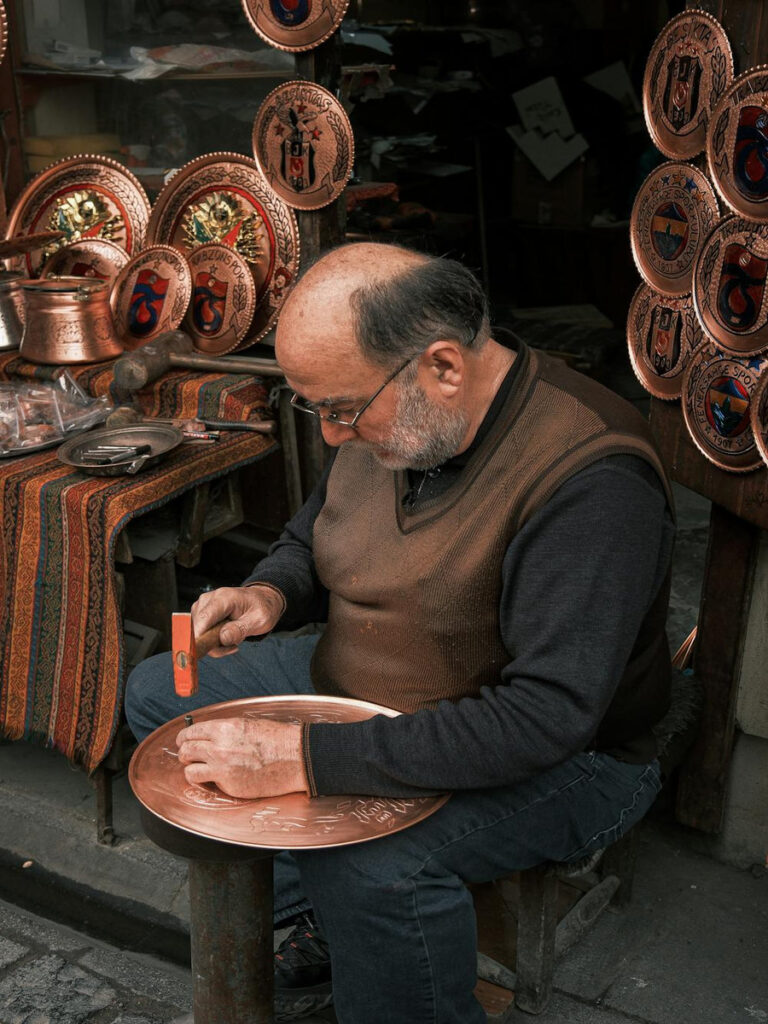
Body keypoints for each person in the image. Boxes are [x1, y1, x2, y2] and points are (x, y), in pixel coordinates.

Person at [125, 241, 676, 1024]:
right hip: (366, 686)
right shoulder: (401, 414)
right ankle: (315, 911)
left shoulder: (591, 480)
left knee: (373, 864)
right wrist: (268, 597)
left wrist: (306, 758)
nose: (333, 435)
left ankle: (361, 930)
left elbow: (546, 717)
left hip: (566, 758)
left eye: (342, 409)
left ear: (443, 367)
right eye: (317, 410)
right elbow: (314, 536)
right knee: (159, 695)